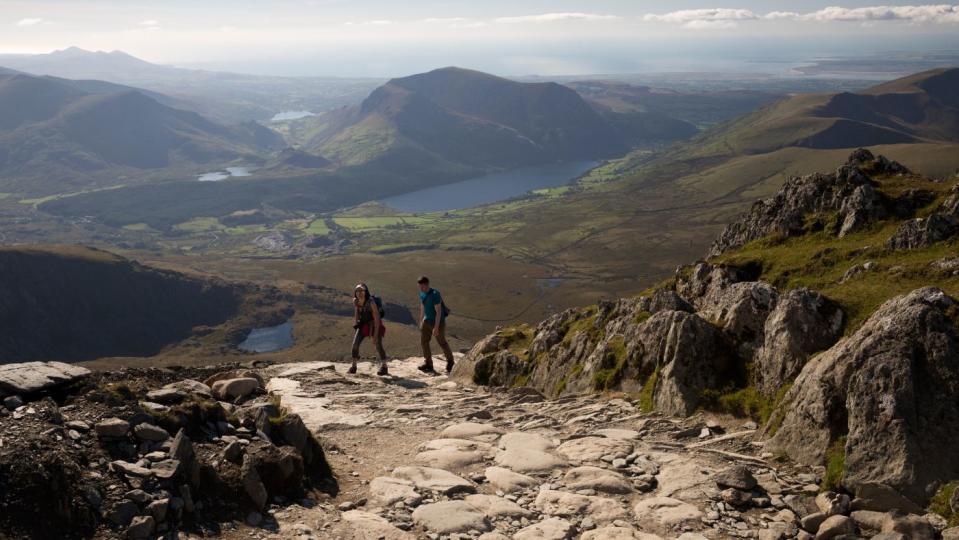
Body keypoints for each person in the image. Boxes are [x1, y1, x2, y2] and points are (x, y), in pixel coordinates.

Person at [416, 276, 455, 374]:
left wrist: (436, 327)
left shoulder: (435, 294)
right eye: (419, 286)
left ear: (427, 284)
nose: (420, 288)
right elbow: (422, 307)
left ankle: (451, 362)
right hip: (427, 321)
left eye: (422, 286)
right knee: (424, 342)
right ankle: (428, 363)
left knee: (442, 342)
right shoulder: (422, 293)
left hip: (437, 322)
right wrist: (421, 321)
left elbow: (438, 312)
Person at [350, 283, 389, 376]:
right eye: (357, 291)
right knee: (355, 345)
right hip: (363, 324)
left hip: (375, 324)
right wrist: (356, 327)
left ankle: (384, 366)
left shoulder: (371, 302)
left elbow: (376, 319)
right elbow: (357, 315)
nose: (359, 293)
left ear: (365, 292)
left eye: (361, 291)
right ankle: (353, 366)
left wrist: (375, 335)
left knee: (378, 345)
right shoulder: (356, 302)